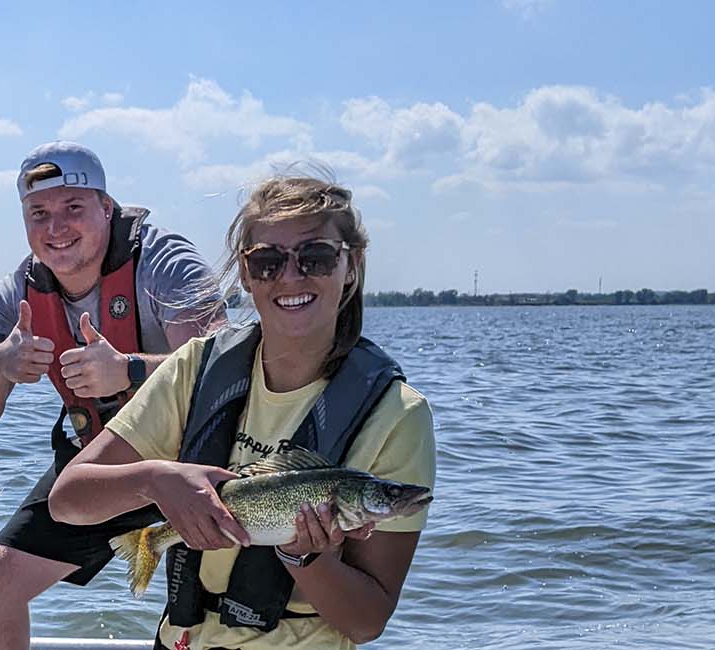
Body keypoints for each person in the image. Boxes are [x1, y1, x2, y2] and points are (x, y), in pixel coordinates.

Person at [47, 171, 436, 649]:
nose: (291, 276)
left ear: (351, 265)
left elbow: (365, 622)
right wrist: (154, 480)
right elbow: (67, 501)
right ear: (247, 275)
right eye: (268, 262)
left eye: (315, 257)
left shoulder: (398, 415)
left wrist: (306, 558)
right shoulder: (196, 368)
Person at [0, 141, 225, 649]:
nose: (56, 228)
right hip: (101, 461)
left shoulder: (166, 264)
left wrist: (129, 370)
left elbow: (223, 377)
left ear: (107, 207)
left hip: (199, 460)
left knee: (211, 618)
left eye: (72, 207)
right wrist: (1, 364)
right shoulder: (14, 294)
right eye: (39, 213)